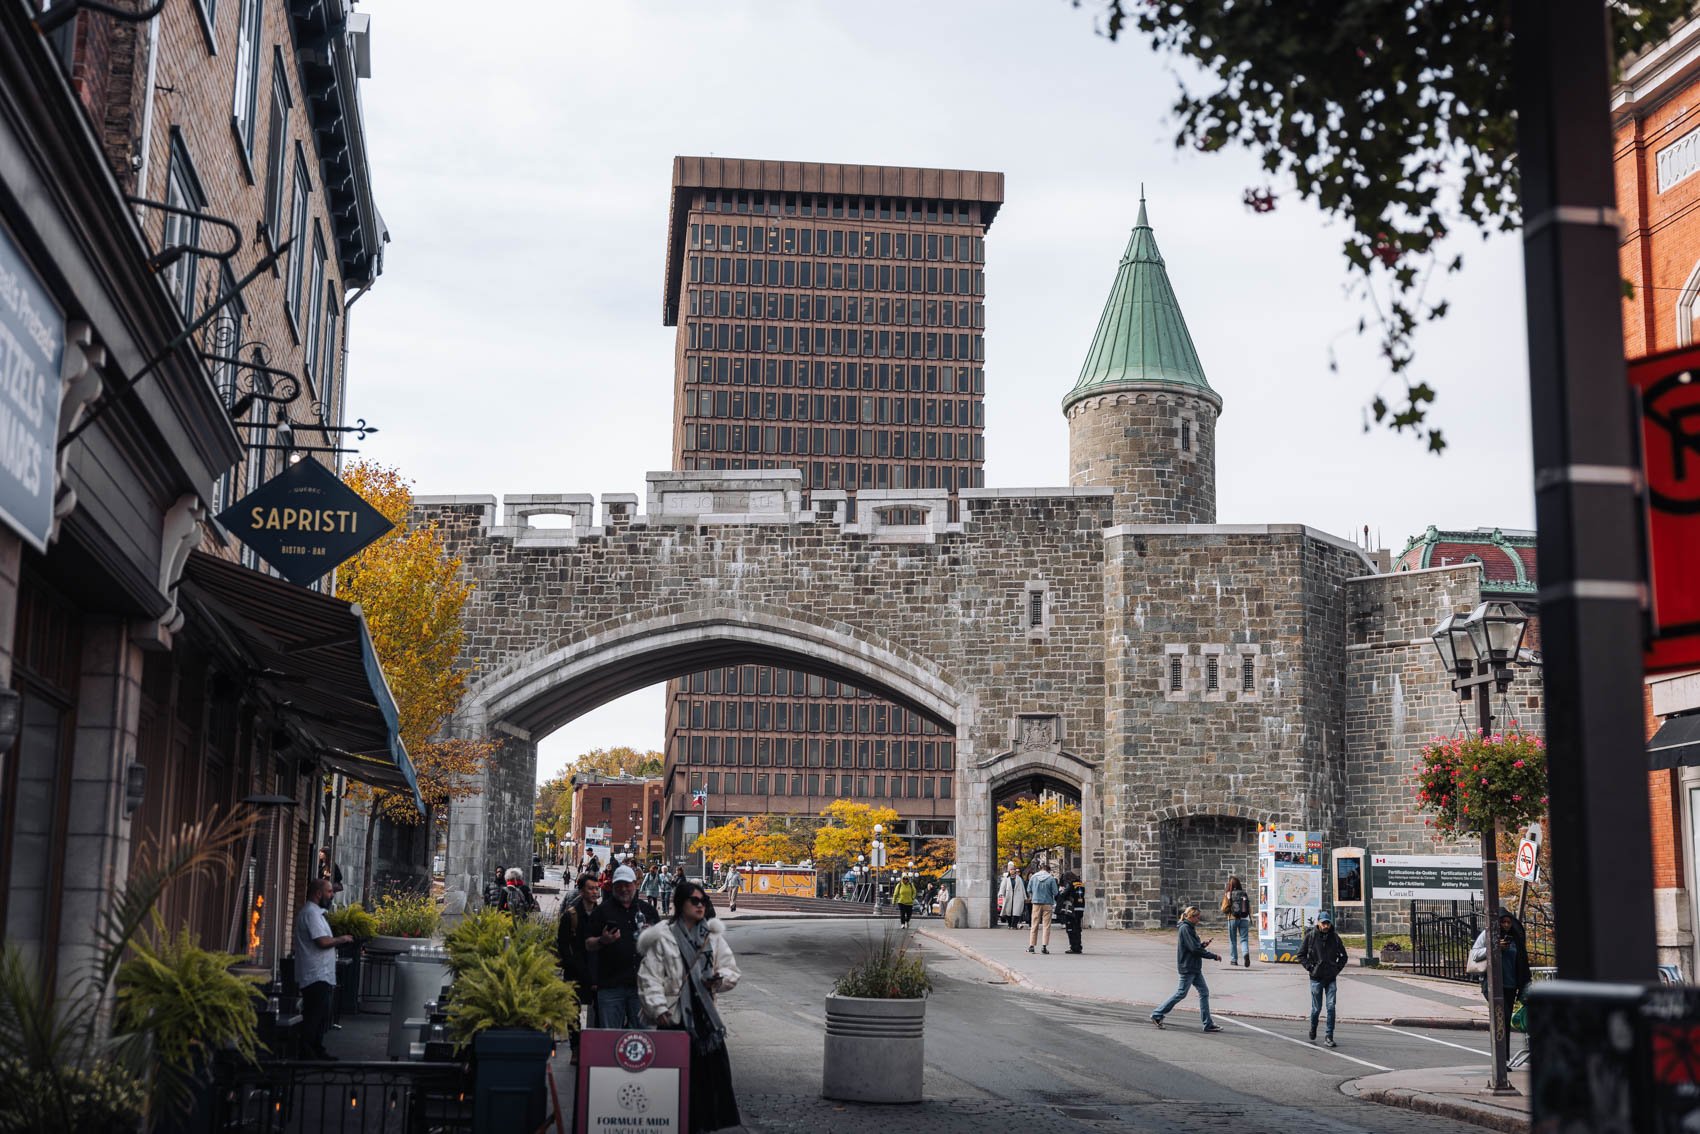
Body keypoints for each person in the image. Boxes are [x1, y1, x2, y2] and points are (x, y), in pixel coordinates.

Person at [638, 880, 741, 1133]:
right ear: (680, 904)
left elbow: (729, 968)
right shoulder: (662, 937)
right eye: (694, 901)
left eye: (703, 901)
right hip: (673, 1018)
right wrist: (658, 1009)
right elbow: (649, 977)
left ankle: (702, 1126)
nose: (700, 905)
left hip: (706, 1020)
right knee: (674, 1084)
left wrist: (719, 980)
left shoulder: (712, 936)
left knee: (707, 1084)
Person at [586, 864, 662, 1028]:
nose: (623, 889)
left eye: (627, 885)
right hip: (610, 986)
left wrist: (653, 936)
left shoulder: (648, 911)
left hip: (642, 986)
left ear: (635, 884)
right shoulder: (602, 911)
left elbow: (664, 946)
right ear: (613, 886)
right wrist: (602, 940)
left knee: (643, 1039)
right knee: (609, 1038)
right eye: (619, 885)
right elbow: (587, 944)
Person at [293, 878, 353, 1059]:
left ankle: (316, 1049)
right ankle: (307, 1051)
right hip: (315, 974)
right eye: (329, 892)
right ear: (318, 893)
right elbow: (322, 941)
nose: (332, 895)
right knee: (314, 1014)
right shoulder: (311, 914)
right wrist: (342, 939)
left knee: (321, 1014)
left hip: (321, 973)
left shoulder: (317, 914)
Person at [1471, 911, 1532, 1068]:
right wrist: (1494, 947)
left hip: (1510, 986)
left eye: (1508, 922)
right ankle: (1500, 1061)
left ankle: (1503, 1060)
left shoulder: (1515, 939)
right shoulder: (1487, 934)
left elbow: (1522, 961)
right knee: (1501, 1019)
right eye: (1503, 922)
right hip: (1493, 984)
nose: (1506, 925)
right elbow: (1475, 954)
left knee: (1504, 1021)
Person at [1150, 906, 1222, 1032]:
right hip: (1188, 967)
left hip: (1193, 967)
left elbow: (1194, 947)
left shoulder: (1189, 928)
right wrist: (1213, 956)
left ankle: (1208, 1023)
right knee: (1181, 993)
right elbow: (1194, 949)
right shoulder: (1185, 928)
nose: (1199, 920)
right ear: (1191, 916)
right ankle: (1157, 1014)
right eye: (1197, 917)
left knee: (1204, 992)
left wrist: (1202, 945)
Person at [556, 871, 604, 1052]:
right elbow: (563, 944)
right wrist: (573, 966)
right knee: (572, 1013)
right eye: (590, 888)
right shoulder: (571, 915)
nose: (594, 892)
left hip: (598, 972)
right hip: (575, 972)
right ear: (581, 891)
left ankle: (594, 1049)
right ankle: (576, 1048)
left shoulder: (602, 914)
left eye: (596, 888)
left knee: (599, 1012)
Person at [1299, 910, 1348, 1046]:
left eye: (1328, 923)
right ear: (1319, 923)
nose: (1326, 926)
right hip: (1316, 977)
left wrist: (1336, 969)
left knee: (1331, 1006)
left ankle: (1329, 1035)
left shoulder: (1335, 937)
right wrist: (1310, 968)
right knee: (1316, 1008)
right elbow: (1301, 955)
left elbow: (1344, 956)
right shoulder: (1311, 937)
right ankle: (1313, 1027)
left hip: (1330, 977)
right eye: (1323, 923)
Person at [1027, 860, 1058, 954]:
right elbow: (1055, 892)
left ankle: (1032, 946)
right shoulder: (1051, 878)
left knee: (1034, 924)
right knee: (1046, 925)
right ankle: (1044, 946)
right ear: (1048, 870)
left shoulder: (1033, 877)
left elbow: (1029, 889)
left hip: (1036, 903)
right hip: (1047, 903)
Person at [1221, 876, 1252, 967]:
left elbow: (1224, 908)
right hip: (1244, 919)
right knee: (1244, 939)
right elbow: (1248, 908)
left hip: (1232, 918)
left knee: (1233, 940)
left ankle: (1234, 960)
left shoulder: (1228, 894)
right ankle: (1245, 953)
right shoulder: (1244, 893)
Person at [1057, 871, 1086, 954]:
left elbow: (1063, 894)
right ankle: (1079, 946)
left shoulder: (1071, 884)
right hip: (1080, 908)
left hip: (1072, 909)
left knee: (1071, 928)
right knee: (1077, 928)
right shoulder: (1080, 884)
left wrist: (1061, 891)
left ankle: (1074, 947)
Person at [996, 862, 1027, 930]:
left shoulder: (1019, 879)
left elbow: (1022, 888)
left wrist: (1025, 897)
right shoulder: (1006, 878)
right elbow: (1002, 887)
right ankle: (1010, 924)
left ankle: (1014, 925)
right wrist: (1001, 893)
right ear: (1009, 871)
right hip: (1008, 896)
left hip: (1017, 897)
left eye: (1013, 869)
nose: (1012, 871)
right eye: (1011, 869)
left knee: (1016, 911)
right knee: (1008, 911)